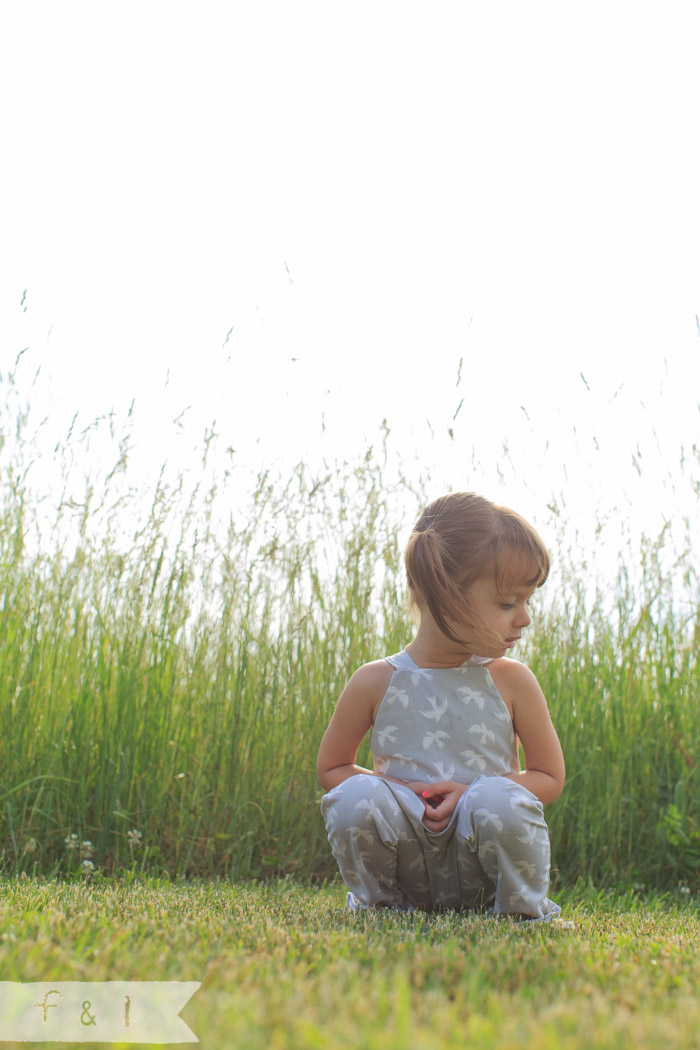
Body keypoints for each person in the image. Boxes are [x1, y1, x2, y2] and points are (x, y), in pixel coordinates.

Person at [316, 491, 565, 921]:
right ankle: (383, 906)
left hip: (479, 858)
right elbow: (332, 769)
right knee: (355, 797)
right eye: (508, 603)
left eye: (525, 601)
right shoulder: (376, 681)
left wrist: (475, 792)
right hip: (407, 851)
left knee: (500, 799)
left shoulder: (512, 681)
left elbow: (549, 777)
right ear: (447, 594)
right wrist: (397, 791)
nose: (524, 618)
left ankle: (519, 912)